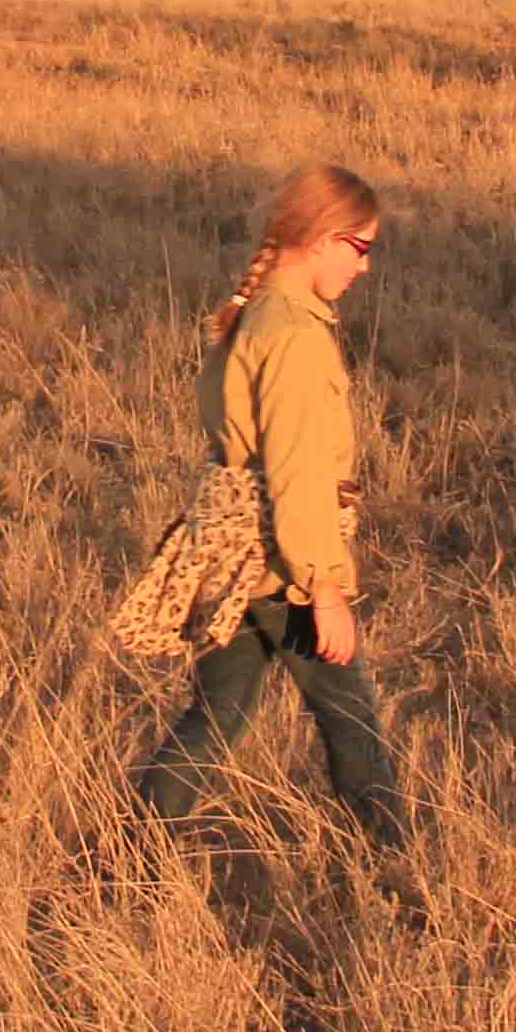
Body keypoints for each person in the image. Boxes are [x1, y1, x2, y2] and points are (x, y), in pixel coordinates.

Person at [131, 162, 408, 845]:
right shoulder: (294, 336)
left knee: (220, 713)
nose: (365, 268)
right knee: (352, 720)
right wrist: (324, 588)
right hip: (282, 564)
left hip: (235, 555)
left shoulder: (259, 314)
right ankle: (395, 864)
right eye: (362, 248)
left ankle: (129, 850)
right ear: (324, 237)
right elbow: (298, 473)